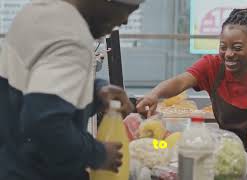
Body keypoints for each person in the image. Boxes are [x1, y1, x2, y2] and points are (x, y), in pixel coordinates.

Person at [0, 0, 144, 179]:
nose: (125, 22)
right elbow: (46, 124)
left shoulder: (34, 12)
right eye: (128, 11)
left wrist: (96, 91)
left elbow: (32, 92)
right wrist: (98, 154)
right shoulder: (72, 37)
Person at [136, 9, 247, 149]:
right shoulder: (212, 66)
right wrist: (154, 94)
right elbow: (181, 81)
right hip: (231, 150)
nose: (229, 54)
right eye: (223, 47)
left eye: (237, 48)